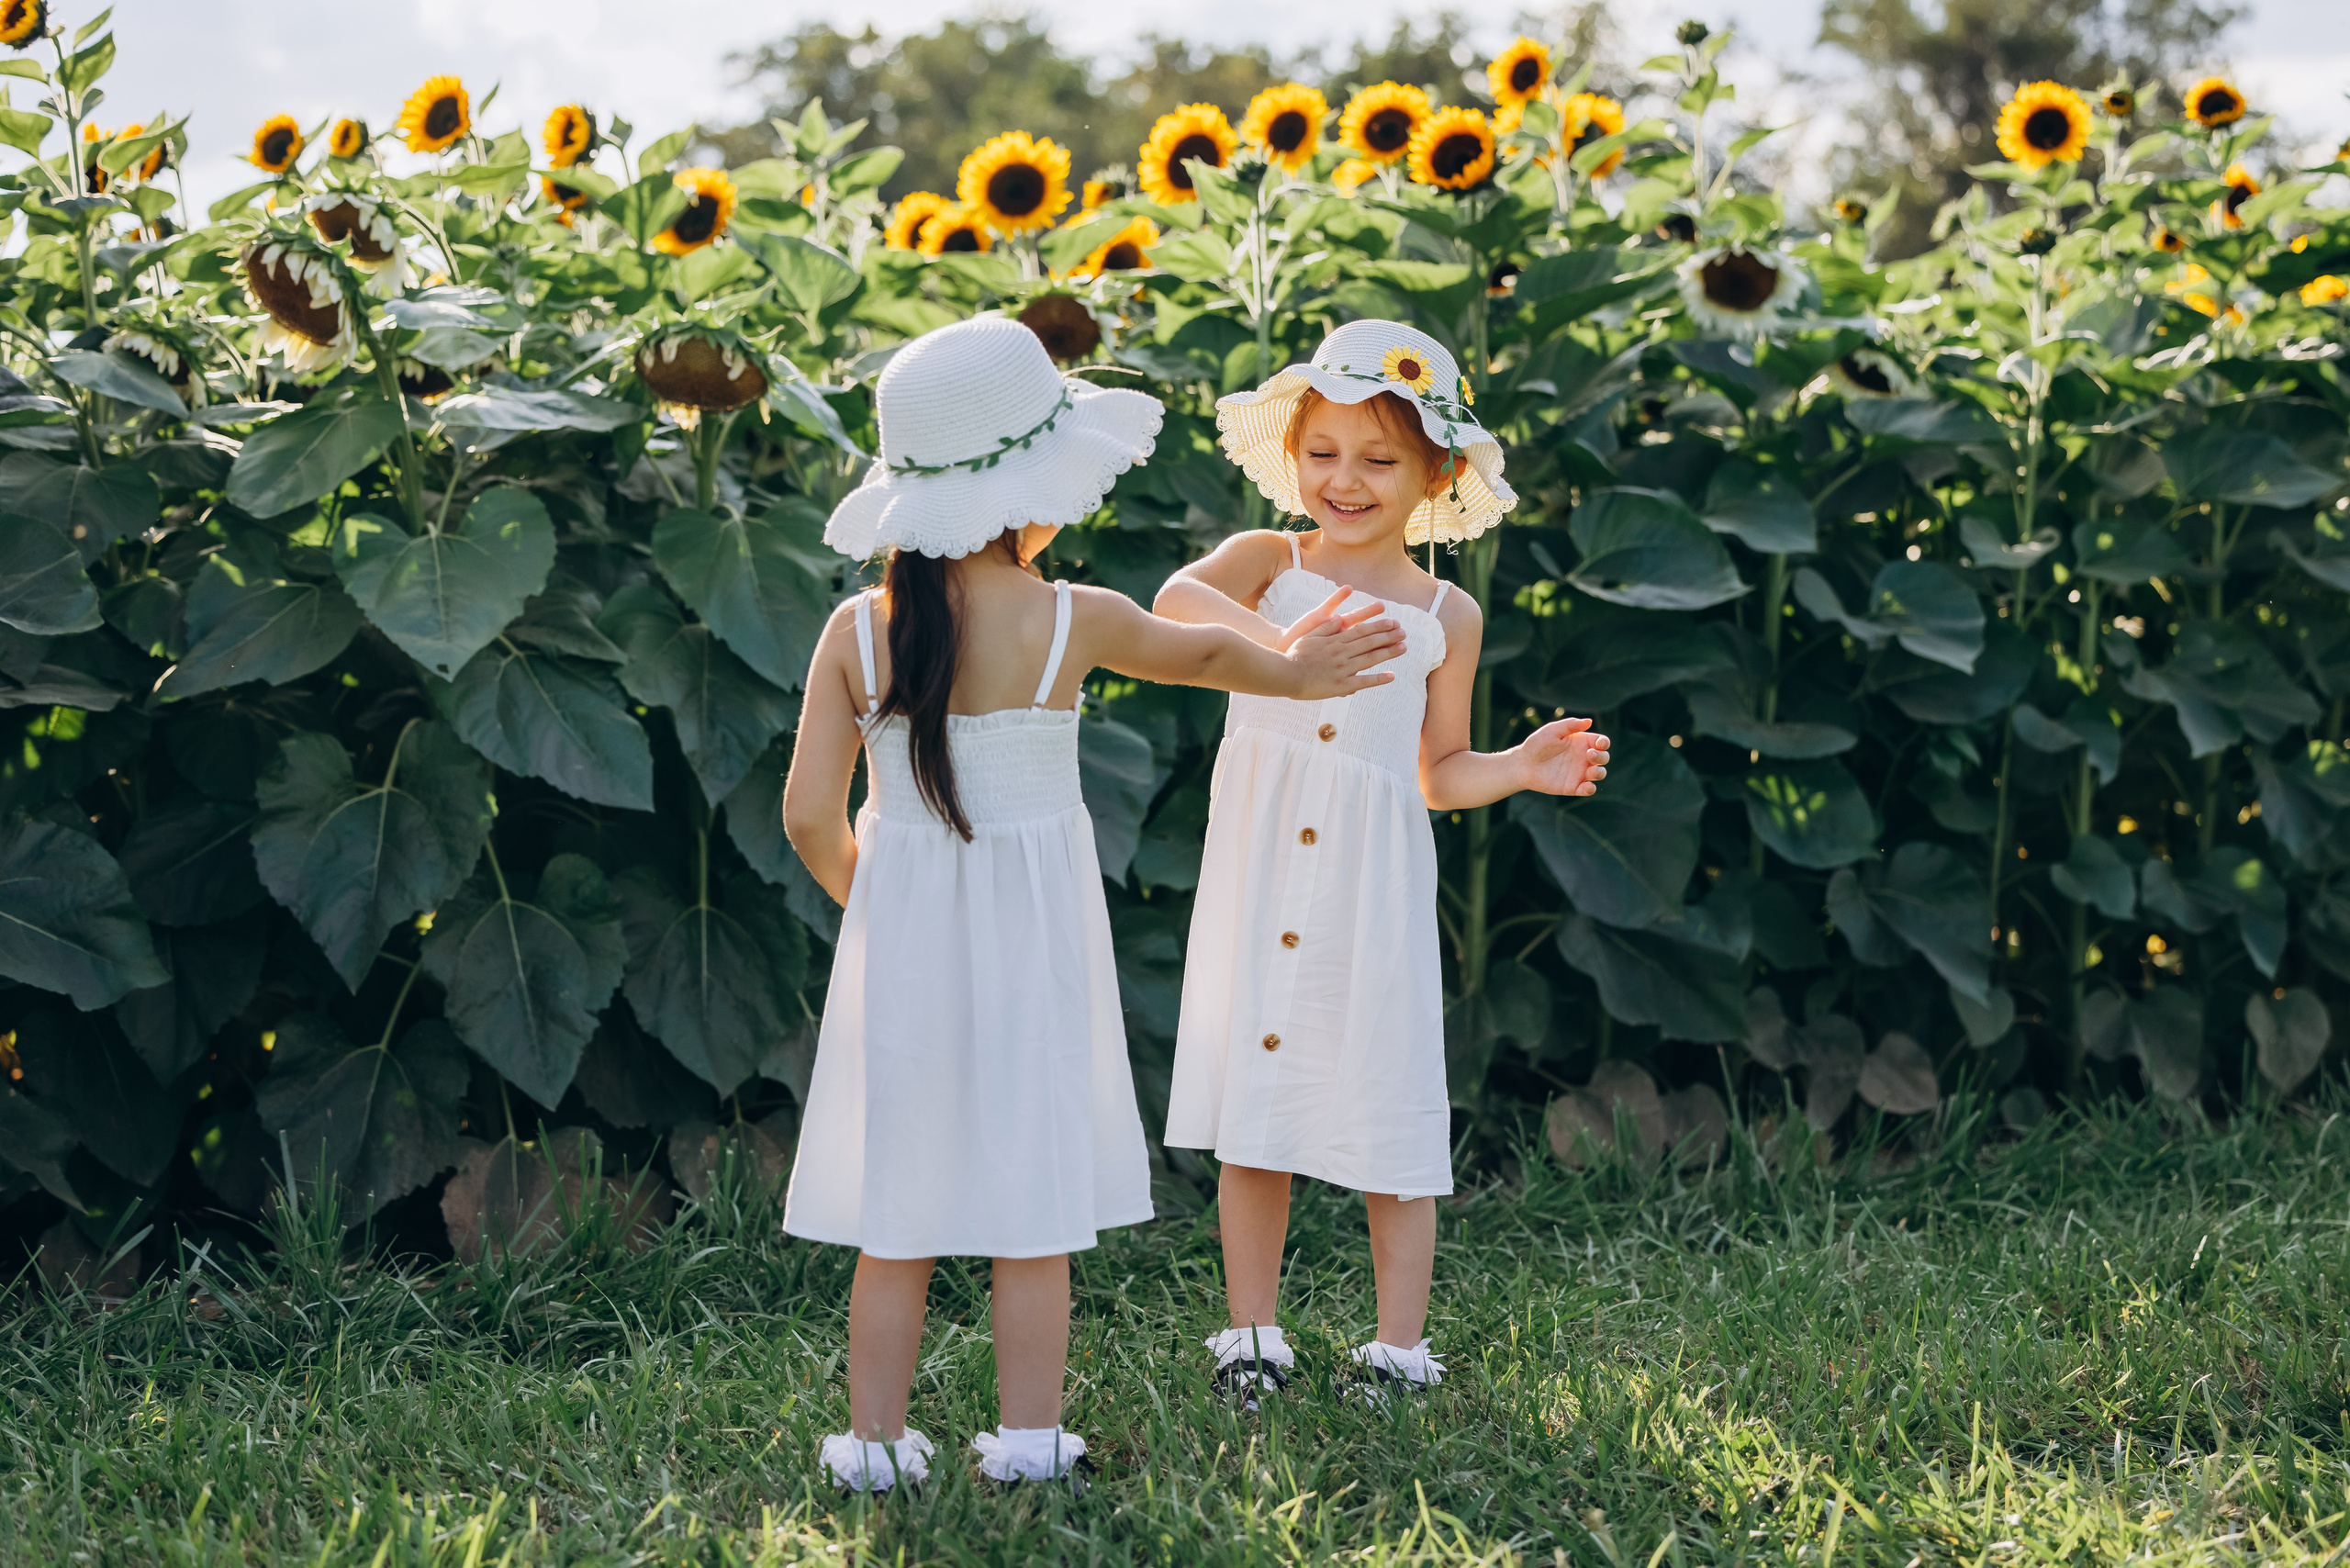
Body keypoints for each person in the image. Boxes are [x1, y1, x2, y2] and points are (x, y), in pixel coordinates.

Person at [781, 315, 1406, 1493]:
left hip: (904, 959)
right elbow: (1205, 655)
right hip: (1034, 956)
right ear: (1029, 495)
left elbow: (811, 816)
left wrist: (884, 912)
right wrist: (1298, 669)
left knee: (896, 1214)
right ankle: (1028, 1441)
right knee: (1034, 1205)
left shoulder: (856, 632)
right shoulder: (1072, 617)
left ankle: (873, 1444)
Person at [1154, 319, 1611, 1405]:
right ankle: (1251, 1337)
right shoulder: (1268, 565)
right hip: (1263, 871)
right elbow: (1171, 605)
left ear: (1435, 474)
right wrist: (1286, 652)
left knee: (1385, 1090)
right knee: (1256, 1108)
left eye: (1378, 459)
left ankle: (1398, 1348)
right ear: (1292, 455)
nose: (1344, 481)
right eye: (1322, 453)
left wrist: (1520, 766)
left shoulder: (1446, 612)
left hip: (1369, 889)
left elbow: (1437, 770)